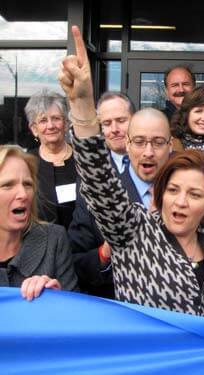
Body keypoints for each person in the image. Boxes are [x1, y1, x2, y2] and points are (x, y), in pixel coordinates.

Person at [59, 26, 204, 318]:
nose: (180, 201)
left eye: (194, 193)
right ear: (161, 194)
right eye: (173, 190)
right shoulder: (135, 230)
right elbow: (99, 181)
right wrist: (83, 106)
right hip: (149, 359)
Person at [68, 92, 136, 298]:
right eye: (106, 123)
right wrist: (104, 254)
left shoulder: (165, 168)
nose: (114, 129)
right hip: (113, 298)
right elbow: (78, 255)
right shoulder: (88, 178)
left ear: (135, 119)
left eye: (121, 121)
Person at [0, 145, 78, 299]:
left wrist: (57, 297)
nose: (23, 194)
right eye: (8, 185)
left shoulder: (54, 239)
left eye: (27, 184)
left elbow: (74, 315)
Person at [25, 90, 77, 230]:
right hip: (40, 244)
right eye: (43, 120)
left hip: (83, 246)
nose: (50, 126)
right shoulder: (27, 164)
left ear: (66, 124)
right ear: (34, 129)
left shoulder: (83, 160)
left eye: (56, 118)